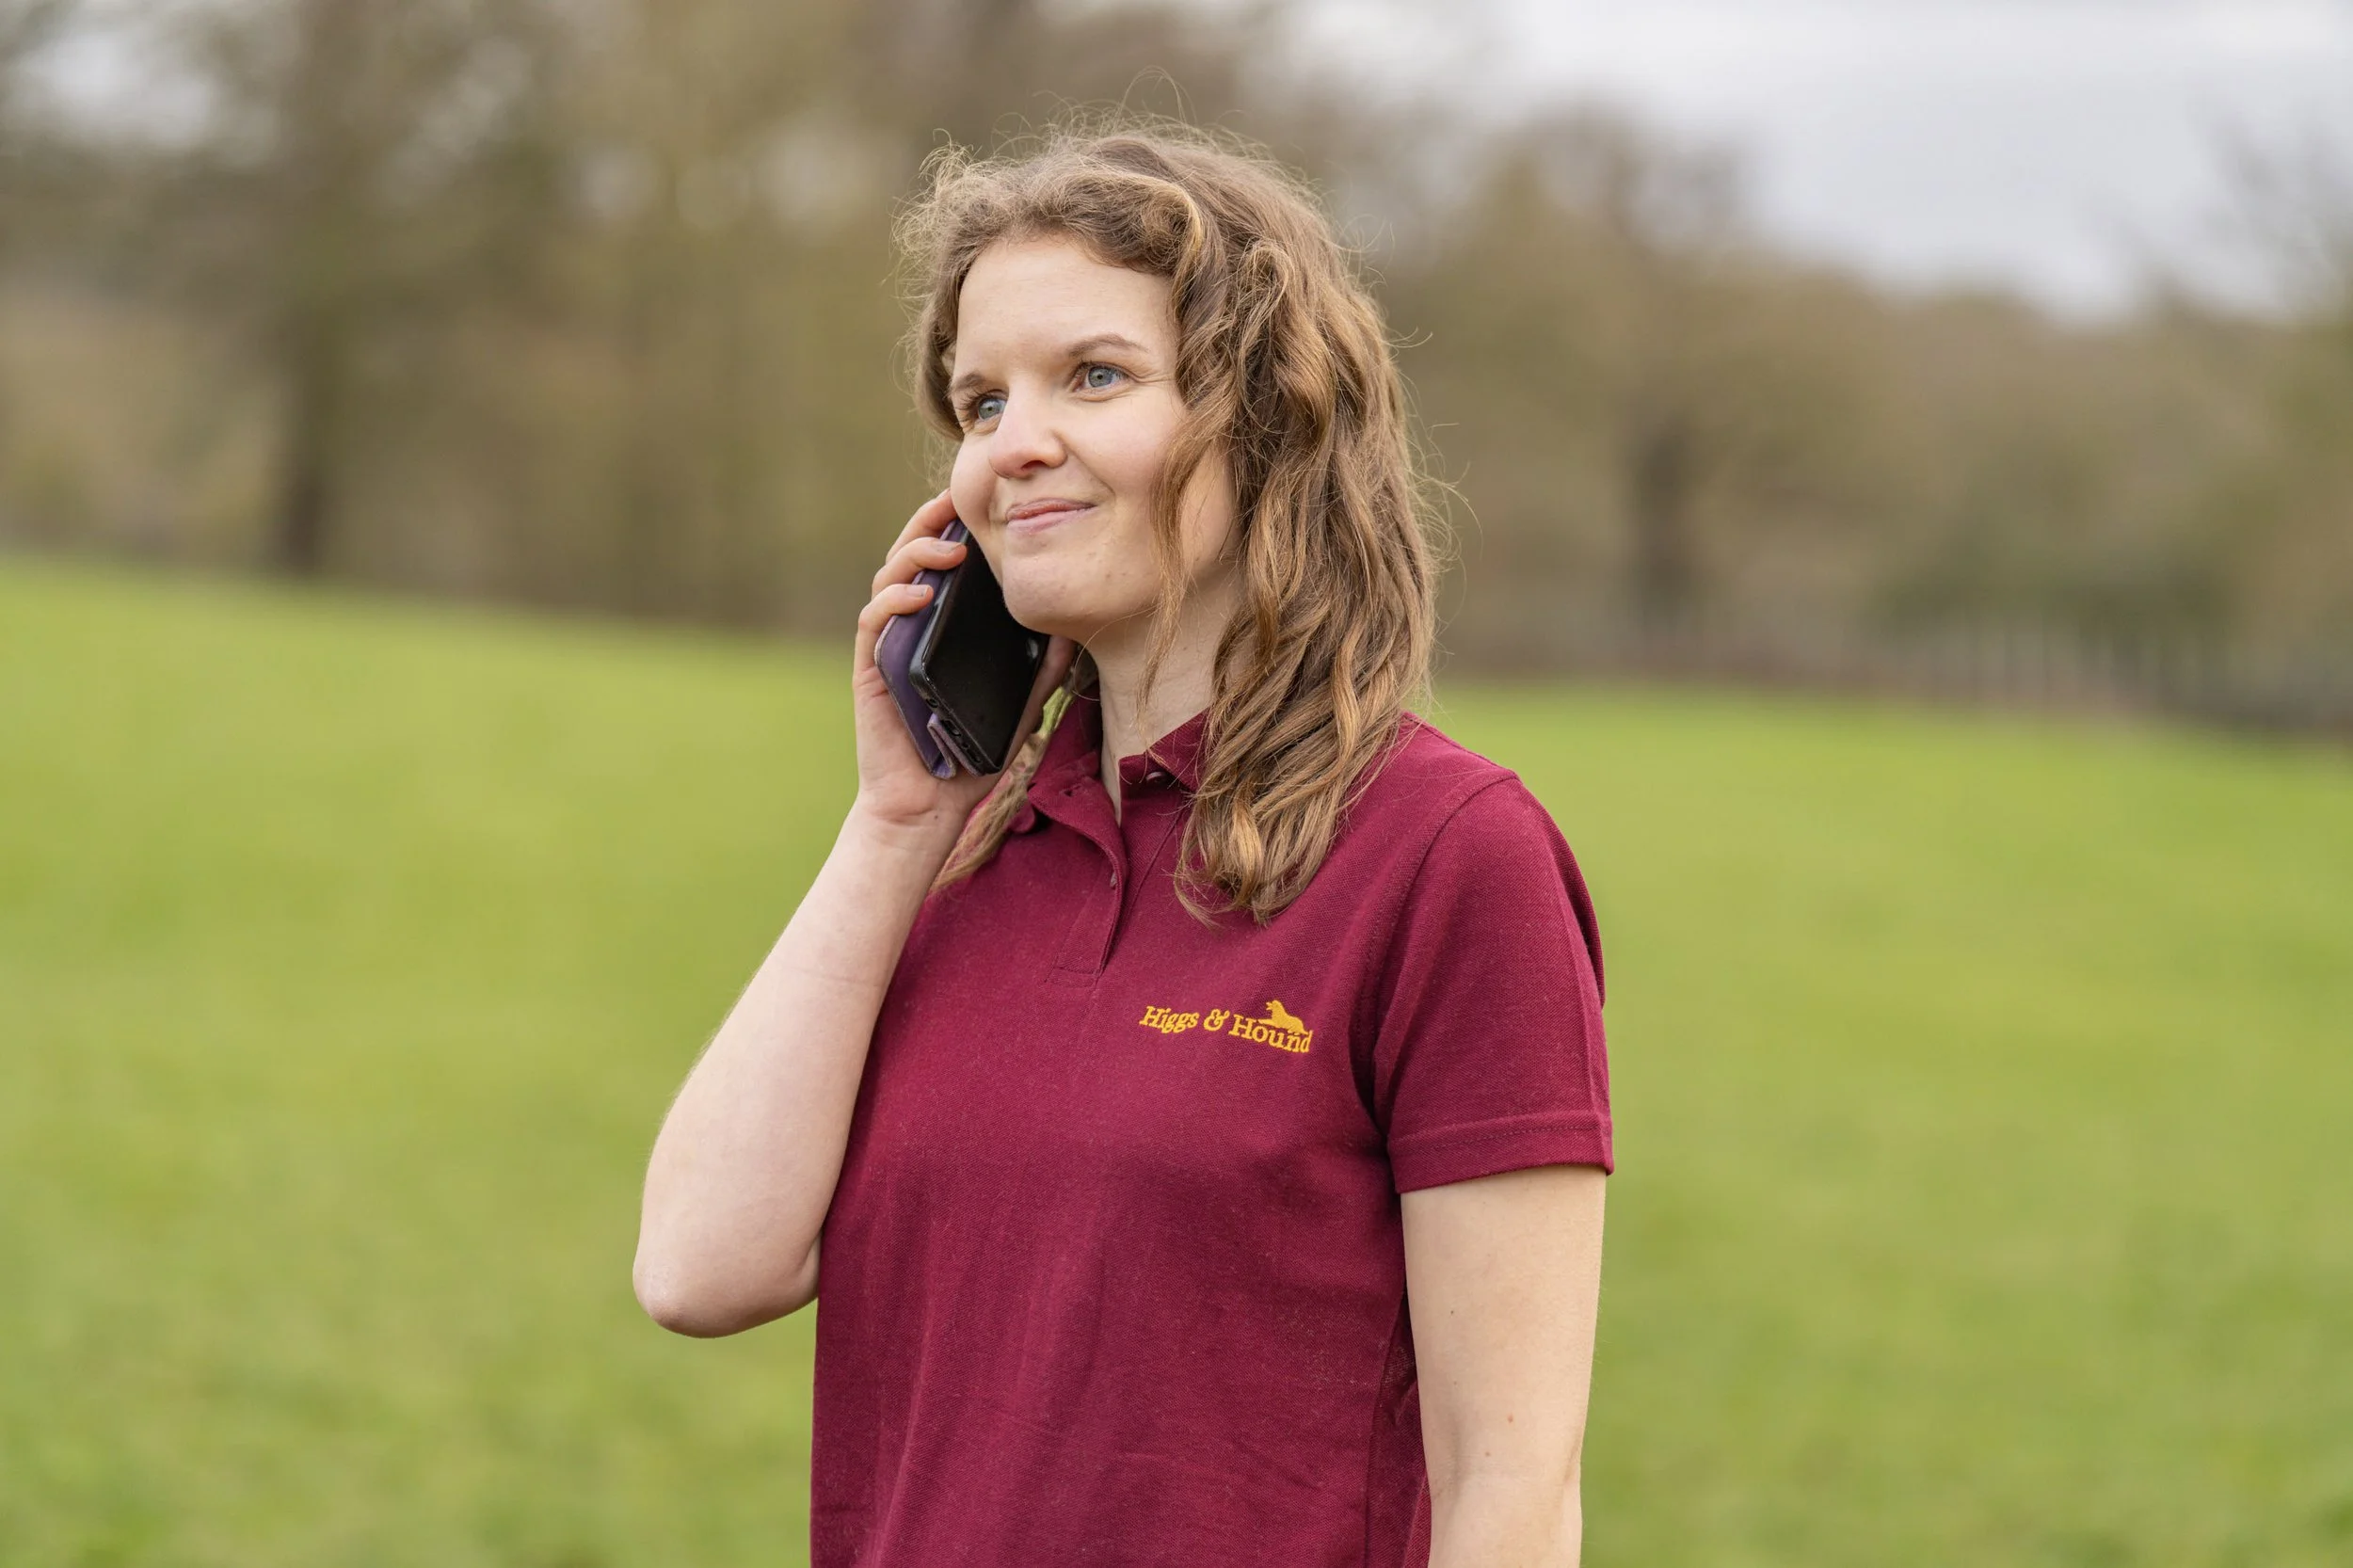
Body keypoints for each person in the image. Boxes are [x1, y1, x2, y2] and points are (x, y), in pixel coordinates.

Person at [632, 122, 1613, 1568]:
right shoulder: (957, 858)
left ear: (1270, 419)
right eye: (978, 399)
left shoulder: (1452, 858)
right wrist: (895, 821)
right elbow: (698, 1264)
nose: (1012, 442)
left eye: (1092, 376)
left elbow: (1510, 1492)